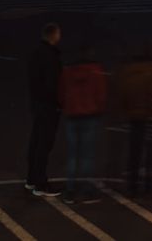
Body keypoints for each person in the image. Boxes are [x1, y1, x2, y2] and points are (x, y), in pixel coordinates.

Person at [112, 45, 152, 197]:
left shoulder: (128, 71)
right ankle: (149, 187)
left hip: (134, 116)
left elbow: (121, 93)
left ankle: (132, 185)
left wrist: (123, 112)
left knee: (134, 152)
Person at [59, 43, 108, 203]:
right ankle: (87, 190)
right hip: (90, 114)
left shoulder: (67, 71)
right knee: (87, 155)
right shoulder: (95, 70)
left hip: (72, 115)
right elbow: (100, 95)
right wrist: (99, 109)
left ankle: (70, 189)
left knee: (73, 155)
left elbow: (61, 93)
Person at [25, 22, 63, 196]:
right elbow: (52, 84)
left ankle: (32, 179)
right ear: (53, 35)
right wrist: (57, 103)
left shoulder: (36, 53)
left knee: (36, 141)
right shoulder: (50, 56)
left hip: (38, 104)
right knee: (44, 144)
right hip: (48, 106)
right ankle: (41, 183)